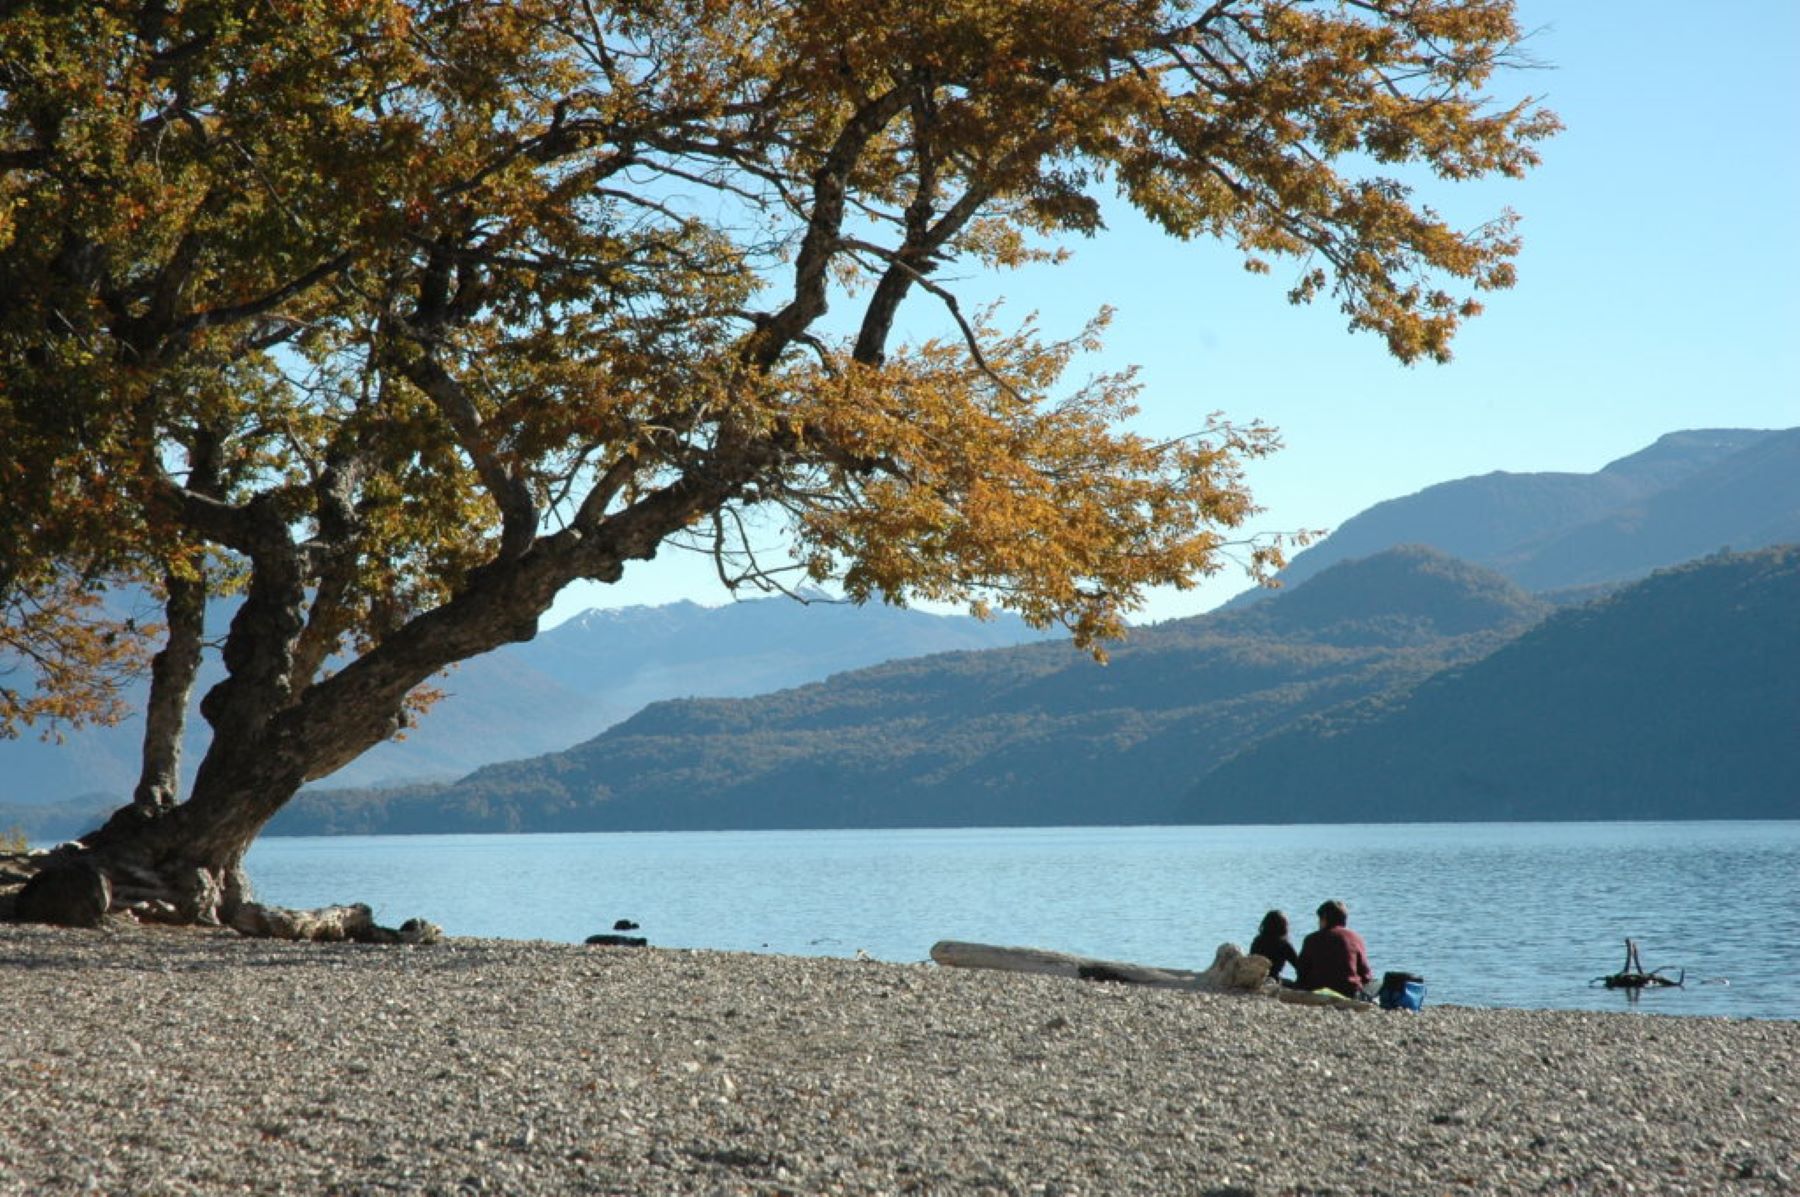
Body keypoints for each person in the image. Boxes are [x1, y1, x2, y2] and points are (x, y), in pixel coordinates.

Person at [1295, 899, 1375, 1000]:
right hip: (1349, 991)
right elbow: (1366, 975)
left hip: (1316, 989)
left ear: (1324, 919)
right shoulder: (1356, 939)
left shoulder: (1311, 939)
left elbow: (1301, 972)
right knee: (1377, 984)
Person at [1249, 910, 1301, 985]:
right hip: (1273, 980)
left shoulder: (1257, 940)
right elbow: (1299, 966)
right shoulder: (1284, 944)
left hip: (1255, 979)